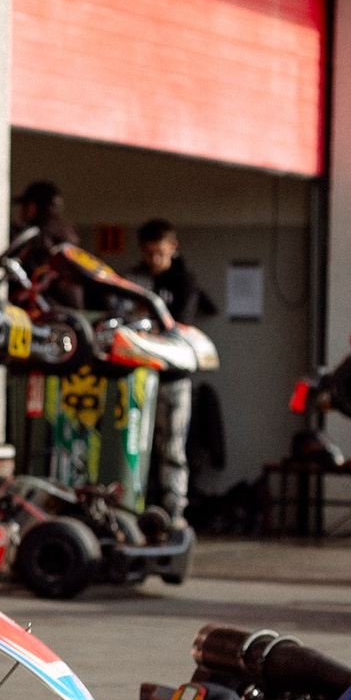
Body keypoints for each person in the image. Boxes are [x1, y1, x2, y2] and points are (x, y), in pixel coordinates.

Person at [133, 218, 216, 522]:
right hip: (139, 376)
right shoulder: (136, 279)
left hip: (173, 378)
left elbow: (179, 323)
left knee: (172, 447)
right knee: (136, 444)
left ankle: (174, 510)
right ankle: (134, 503)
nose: (154, 260)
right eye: (148, 253)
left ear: (172, 248)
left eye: (160, 253)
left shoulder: (184, 281)